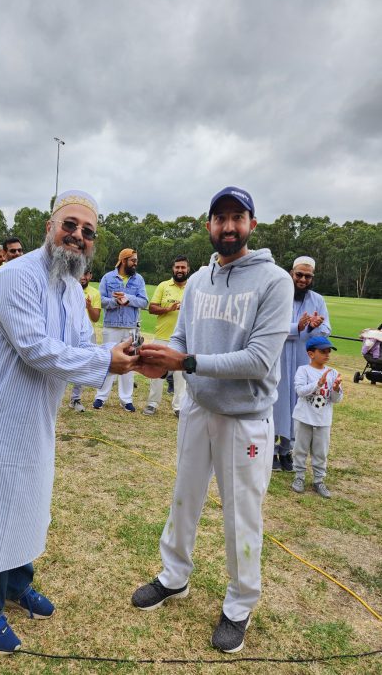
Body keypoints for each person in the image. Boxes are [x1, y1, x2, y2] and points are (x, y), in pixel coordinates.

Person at [0, 190, 138, 656]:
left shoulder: (70, 287)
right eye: (70, 225)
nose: (78, 236)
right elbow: (36, 348)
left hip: (36, 417)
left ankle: (16, 585)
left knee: (28, 500)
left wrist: (112, 357)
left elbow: (82, 345)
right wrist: (106, 361)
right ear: (50, 227)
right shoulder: (14, 276)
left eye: (88, 232)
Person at [131, 186, 293, 654]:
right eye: (219, 218)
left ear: (251, 225)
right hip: (197, 408)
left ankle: (240, 604)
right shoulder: (199, 280)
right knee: (184, 497)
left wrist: (186, 364)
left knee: (242, 514)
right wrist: (161, 359)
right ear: (208, 225)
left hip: (245, 417)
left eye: (236, 218)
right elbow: (181, 337)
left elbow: (260, 360)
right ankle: (173, 576)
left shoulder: (274, 281)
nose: (228, 226)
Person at [272, 256, 331, 472]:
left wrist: (315, 325)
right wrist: (299, 326)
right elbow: (272, 325)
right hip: (276, 358)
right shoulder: (278, 295)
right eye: (299, 274)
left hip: (301, 361)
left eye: (307, 276)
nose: (303, 279)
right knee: (276, 402)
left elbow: (326, 331)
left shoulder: (317, 300)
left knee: (296, 403)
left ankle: (286, 451)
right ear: (291, 273)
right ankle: (270, 452)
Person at [93, 248, 148, 412]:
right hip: (111, 325)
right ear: (123, 260)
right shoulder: (107, 278)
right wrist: (116, 302)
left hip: (132, 327)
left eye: (136, 260)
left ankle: (126, 399)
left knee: (130, 362)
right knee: (108, 361)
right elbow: (101, 301)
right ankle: (100, 396)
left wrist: (128, 298)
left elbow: (144, 302)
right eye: (133, 260)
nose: (135, 263)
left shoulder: (139, 280)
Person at [291, 336, 343, 498]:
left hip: (323, 420)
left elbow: (336, 400)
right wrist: (318, 384)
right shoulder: (303, 370)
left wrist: (335, 389)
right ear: (311, 354)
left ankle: (319, 480)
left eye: (328, 351)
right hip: (304, 417)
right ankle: (299, 476)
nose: (327, 354)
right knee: (300, 448)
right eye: (323, 351)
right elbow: (300, 391)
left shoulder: (333, 373)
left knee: (321, 451)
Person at [143, 255, 190, 417]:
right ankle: (152, 404)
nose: (180, 270)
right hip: (162, 336)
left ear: (188, 269)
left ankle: (178, 407)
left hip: (184, 339)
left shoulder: (193, 286)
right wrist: (168, 309)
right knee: (156, 372)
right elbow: (152, 308)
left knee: (181, 375)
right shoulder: (164, 285)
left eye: (183, 267)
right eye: (177, 267)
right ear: (173, 268)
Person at [69, 267, 101, 412]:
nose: (83, 277)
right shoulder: (68, 289)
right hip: (68, 332)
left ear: (90, 276)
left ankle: (75, 399)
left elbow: (96, 317)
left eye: (86, 274)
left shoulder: (94, 293)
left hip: (86, 334)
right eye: (80, 273)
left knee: (83, 365)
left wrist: (88, 307)